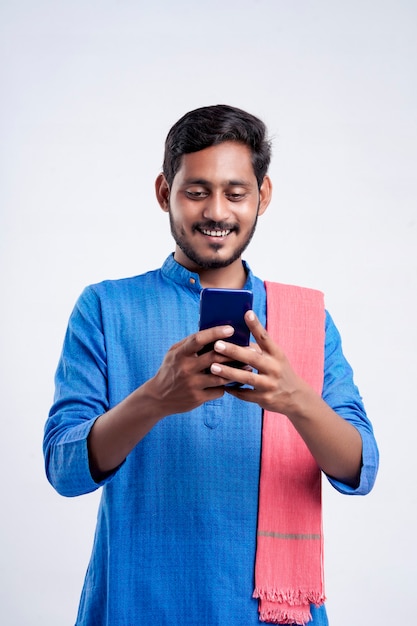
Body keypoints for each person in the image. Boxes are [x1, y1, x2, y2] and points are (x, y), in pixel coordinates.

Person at [43, 104, 379, 626]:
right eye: (196, 191)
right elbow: (64, 470)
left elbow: (360, 468)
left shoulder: (304, 319)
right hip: (136, 605)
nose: (216, 211)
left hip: (273, 614)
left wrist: (295, 399)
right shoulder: (106, 308)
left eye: (236, 192)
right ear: (164, 193)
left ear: (262, 196)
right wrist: (154, 399)